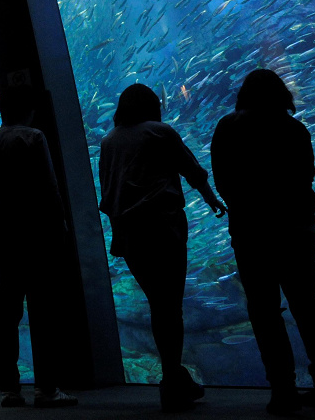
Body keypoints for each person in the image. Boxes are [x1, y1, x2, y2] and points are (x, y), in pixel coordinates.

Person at [210, 69, 315, 415]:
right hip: (295, 230)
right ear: (281, 94)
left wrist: (244, 205)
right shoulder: (294, 128)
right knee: (306, 307)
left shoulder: (228, 127)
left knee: (264, 311)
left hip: (250, 232)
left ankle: (283, 390)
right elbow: (306, 175)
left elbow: (221, 178)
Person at [97, 83, 226, 412]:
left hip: (130, 235)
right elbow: (192, 172)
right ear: (151, 105)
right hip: (163, 228)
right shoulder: (160, 132)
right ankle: (172, 380)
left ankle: (174, 376)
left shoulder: (109, 140)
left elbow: (110, 191)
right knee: (171, 305)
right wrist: (213, 201)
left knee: (159, 304)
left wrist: (118, 231)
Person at [0, 87, 77, 409]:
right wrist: (60, 226)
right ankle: (46, 389)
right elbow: (49, 186)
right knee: (43, 313)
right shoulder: (34, 138)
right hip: (37, 238)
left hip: (6, 241)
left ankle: (11, 389)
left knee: (7, 316)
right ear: (27, 109)